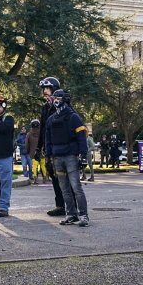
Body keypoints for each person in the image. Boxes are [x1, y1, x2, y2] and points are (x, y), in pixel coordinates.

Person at [45, 89, 89, 227]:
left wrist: (83, 156)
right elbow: (48, 140)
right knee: (64, 189)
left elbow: (82, 137)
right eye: (54, 97)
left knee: (76, 187)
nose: (55, 99)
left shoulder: (73, 117)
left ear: (64, 99)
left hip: (70, 156)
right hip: (57, 158)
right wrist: (47, 157)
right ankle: (71, 214)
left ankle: (83, 215)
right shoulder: (51, 119)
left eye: (58, 97)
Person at [36, 77, 66, 217]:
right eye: (43, 89)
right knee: (54, 178)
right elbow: (43, 129)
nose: (45, 92)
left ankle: (72, 207)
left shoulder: (62, 105)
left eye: (47, 89)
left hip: (61, 148)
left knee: (65, 179)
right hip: (49, 149)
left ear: (54, 89)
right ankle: (60, 205)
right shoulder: (45, 108)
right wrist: (38, 148)